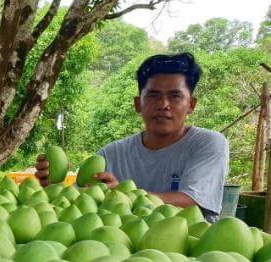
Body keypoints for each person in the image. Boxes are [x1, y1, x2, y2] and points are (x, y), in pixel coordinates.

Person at [35, 52, 229, 222]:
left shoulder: (208, 143)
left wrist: (124, 193)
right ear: (138, 104)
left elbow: (192, 203)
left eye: (175, 96)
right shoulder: (111, 154)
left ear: (191, 105)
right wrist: (54, 188)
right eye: (153, 96)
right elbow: (81, 202)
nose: (163, 104)